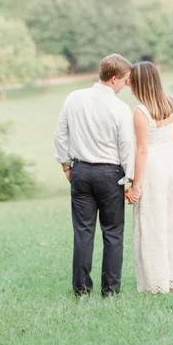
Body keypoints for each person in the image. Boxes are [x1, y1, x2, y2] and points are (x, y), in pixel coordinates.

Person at [52, 54, 134, 297]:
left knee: (83, 232)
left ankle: (81, 289)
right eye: (126, 80)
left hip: (81, 172)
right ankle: (110, 290)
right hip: (110, 174)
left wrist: (66, 167)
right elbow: (126, 146)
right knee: (113, 233)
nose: (127, 85)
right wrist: (129, 180)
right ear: (113, 78)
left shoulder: (74, 98)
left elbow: (60, 135)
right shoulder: (119, 108)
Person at [125, 61, 173, 294]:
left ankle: (156, 282)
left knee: (152, 221)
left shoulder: (141, 111)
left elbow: (142, 150)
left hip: (153, 167)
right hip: (172, 163)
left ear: (142, 82)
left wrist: (135, 185)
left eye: (132, 81)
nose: (129, 85)